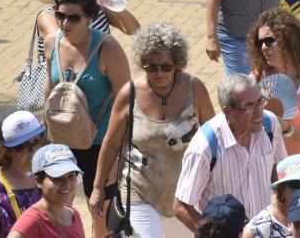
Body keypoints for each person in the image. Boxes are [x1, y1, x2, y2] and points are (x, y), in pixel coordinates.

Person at [89, 23, 216, 237]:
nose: (158, 73)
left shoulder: (195, 89)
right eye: (151, 67)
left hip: (186, 194)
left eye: (166, 66)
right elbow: (111, 144)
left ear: (177, 63)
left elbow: (215, 137)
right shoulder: (129, 94)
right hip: (140, 191)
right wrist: (98, 188)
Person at [44, 0, 131, 238]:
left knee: (98, 212)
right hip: (62, 142)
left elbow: (126, 103)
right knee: (59, 207)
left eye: (73, 17)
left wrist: (118, 155)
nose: (64, 23)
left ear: (90, 18)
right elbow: (49, 93)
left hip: (100, 145)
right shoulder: (52, 43)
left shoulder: (108, 49)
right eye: (60, 15)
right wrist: (43, 142)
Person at [173, 74, 290, 230]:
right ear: (227, 111)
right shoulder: (204, 147)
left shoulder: (270, 124)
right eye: (249, 106)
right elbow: (180, 206)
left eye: (260, 101)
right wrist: (214, 235)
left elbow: (280, 174)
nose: (259, 111)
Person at [248, 9, 300, 166]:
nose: (263, 47)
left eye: (269, 41)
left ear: (289, 40)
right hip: (270, 172)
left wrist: (285, 128)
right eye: (260, 43)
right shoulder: (257, 78)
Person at [7, 145, 85, 238]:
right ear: (38, 181)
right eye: (57, 178)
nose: (67, 184)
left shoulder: (73, 214)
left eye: (71, 176)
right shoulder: (32, 221)